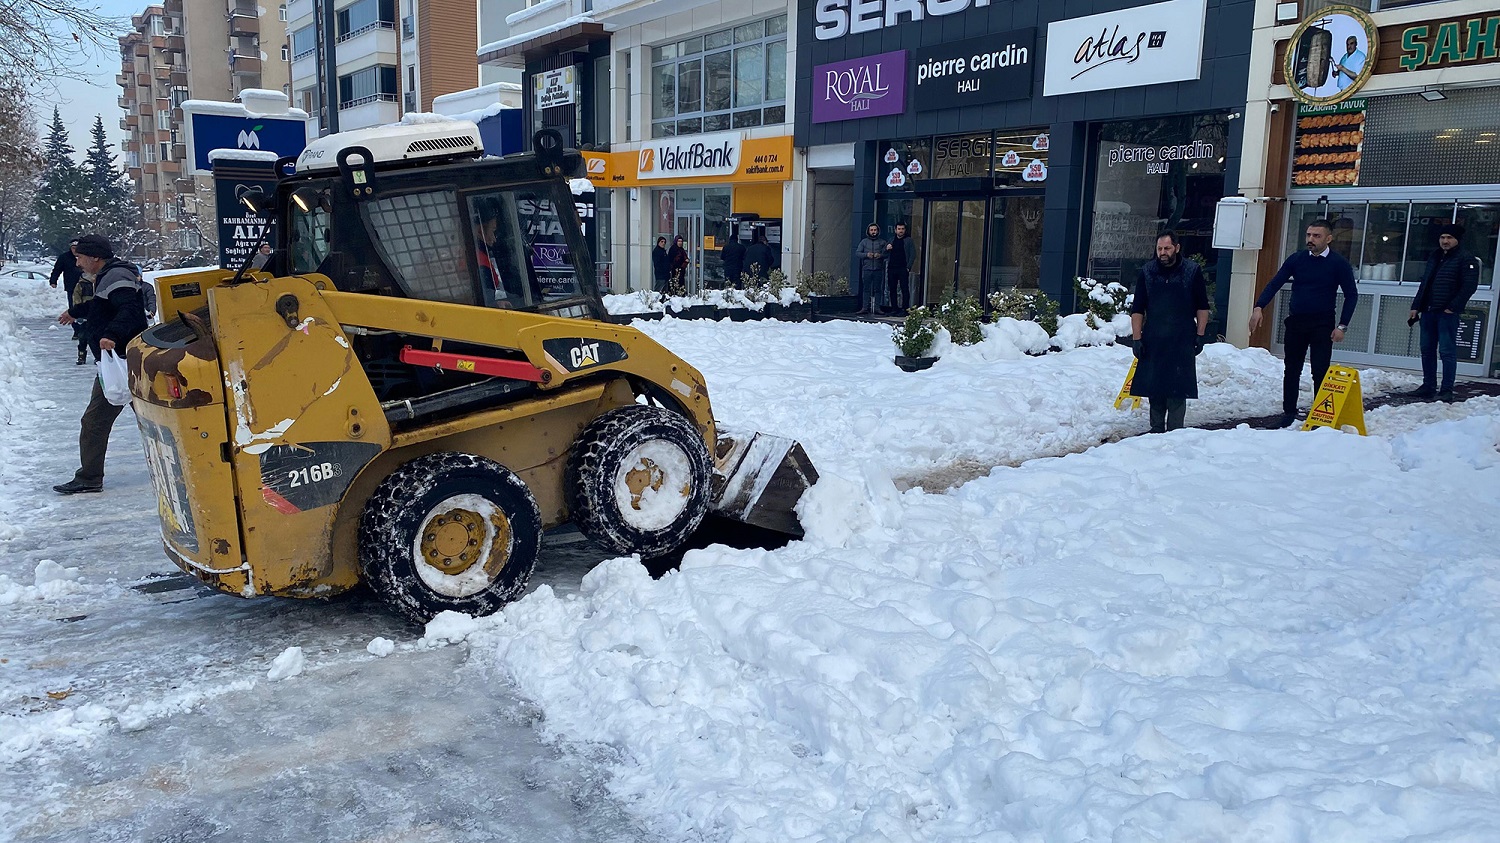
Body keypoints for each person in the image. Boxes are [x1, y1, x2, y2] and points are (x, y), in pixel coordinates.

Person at [53, 234, 149, 495]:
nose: (77, 264)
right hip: (117, 362)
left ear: (95, 256)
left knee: (97, 421)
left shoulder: (116, 277)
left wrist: (112, 335)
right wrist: (77, 312)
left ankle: (89, 477)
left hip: (123, 362)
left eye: (80, 257)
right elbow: (103, 306)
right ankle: (89, 476)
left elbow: (129, 308)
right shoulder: (110, 276)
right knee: (147, 418)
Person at [1248, 219, 1358, 428]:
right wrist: (1259, 307)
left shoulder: (1338, 263)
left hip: (1323, 323)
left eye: (1316, 236)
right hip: (1297, 321)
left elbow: (1351, 295)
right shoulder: (1297, 259)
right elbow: (1275, 282)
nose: (1310, 240)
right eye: (1308, 235)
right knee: (1292, 368)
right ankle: (1289, 412)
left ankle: (1320, 417)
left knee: (1319, 370)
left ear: (1328, 238)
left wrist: (1342, 326)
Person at [1129, 232, 1210, 433]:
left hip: (1182, 337)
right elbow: (1138, 308)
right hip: (1154, 336)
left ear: (1177, 248)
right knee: (1154, 386)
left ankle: (1175, 431)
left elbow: (1202, 306)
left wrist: (1200, 335)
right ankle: (1156, 428)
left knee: (1177, 388)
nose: (1163, 253)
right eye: (1159, 249)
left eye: (1167, 248)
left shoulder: (1192, 271)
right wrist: (1137, 338)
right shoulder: (1147, 271)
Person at [1407, 223, 1481, 403]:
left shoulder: (1466, 259)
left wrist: (1453, 307)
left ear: (1457, 240)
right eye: (1442, 237)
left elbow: (1469, 286)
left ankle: (1446, 389)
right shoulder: (1435, 256)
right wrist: (1416, 306)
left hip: (1447, 313)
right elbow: (1425, 283)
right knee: (1427, 350)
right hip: (1429, 311)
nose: (1445, 241)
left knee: (1447, 352)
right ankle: (1428, 385)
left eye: (1449, 238)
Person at [48, 239, 88, 365]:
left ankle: (85, 328)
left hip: (86, 288)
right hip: (71, 287)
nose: (75, 250)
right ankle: (77, 329)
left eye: (77, 247)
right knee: (73, 309)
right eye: (73, 247)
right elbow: (57, 269)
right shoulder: (65, 258)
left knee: (86, 309)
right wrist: (53, 280)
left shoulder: (86, 257)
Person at [854, 223, 889, 315]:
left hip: (878, 269)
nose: (873, 232)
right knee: (866, 289)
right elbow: (857, 253)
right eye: (871, 230)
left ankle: (877, 308)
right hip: (867, 269)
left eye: (875, 230)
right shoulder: (864, 242)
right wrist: (866, 255)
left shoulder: (882, 242)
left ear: (878, 231)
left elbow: (887, 254)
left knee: (878, 289)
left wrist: (880, 255)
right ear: (868, 231)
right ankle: (865, 307)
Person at [886, 222, 916, 315]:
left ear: (905, 230)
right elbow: (885, 254)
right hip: (892, 268)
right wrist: (887, 249)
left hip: (903, 268)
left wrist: (908, 267)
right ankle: (894, 308)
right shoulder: (891, 240)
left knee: (904, 289)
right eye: (899, 229)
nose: (901, 231)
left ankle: (905, 309)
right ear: (895, 230)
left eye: (902, 229)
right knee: (892, 289)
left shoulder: (908, 240)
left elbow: (913, 254)